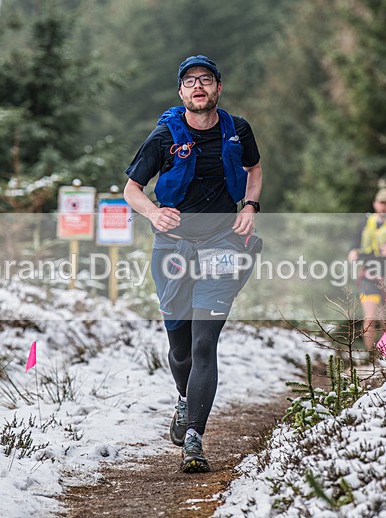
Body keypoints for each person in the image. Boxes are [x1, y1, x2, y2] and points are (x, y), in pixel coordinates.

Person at [123, 55, 262, 473]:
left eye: (205, 80)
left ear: (218, 88)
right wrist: (152, 213)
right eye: (189, 81)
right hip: (173, 248)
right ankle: (184, 401)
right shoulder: (164, 135)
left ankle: (194, 439)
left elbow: (253, 168)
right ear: (181, 93)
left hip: (222, 244)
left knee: (204, 344)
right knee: (180, 347)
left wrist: (251, 204)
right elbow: (132, 188)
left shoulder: (238, 131)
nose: (197, 86)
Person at [347, 188, 386, 352]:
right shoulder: (365, 222)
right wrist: (353, 251)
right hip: (368, 275)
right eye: (381, 203)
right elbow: (355, 243)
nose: (383, 207)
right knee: (369, 318)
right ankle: (369, 355)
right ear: (375, 203)